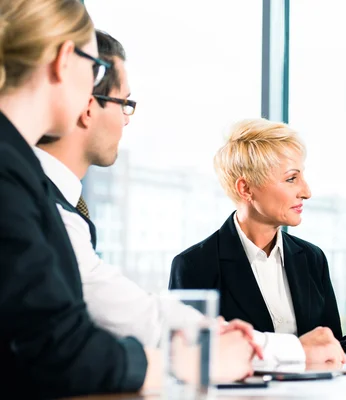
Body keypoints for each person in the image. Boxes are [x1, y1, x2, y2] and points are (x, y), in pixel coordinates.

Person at [36, 30, 340, 367]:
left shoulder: (53, 203)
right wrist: (290, 350)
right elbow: (152, 330)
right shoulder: (35, 204)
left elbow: (125, 309)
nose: (126, 120)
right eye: (125, 104)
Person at [0, 0, 158, 397]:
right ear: (64, 59)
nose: (93, 86)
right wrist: (170, 364)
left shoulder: (19, 168)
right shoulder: (8, 172)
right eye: (95, 68)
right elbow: (56, 347)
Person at [170, 118, 346, 365]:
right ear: (246, 189)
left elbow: (330, 347)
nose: (307, 191)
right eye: (291, 179)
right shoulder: (195, 266)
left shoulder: (312, 258)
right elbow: (190, 360)